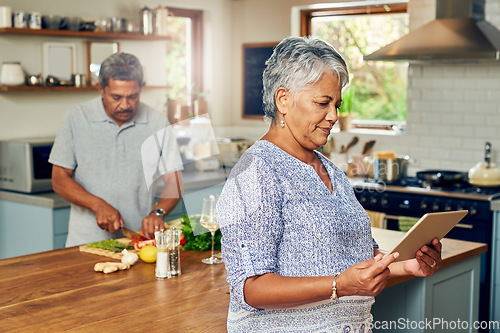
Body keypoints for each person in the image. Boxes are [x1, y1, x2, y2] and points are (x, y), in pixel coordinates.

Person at [216, 36, 442, 332]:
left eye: (336, 104)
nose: (334, 116)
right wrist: (339, 285)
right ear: (283, 99)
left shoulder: (331, 171)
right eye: (323, 103)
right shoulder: (255, 173)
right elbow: (251, 289)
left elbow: (358, 260)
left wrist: (406, 266)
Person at [49, 52, 183, 246]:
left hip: (137, 242)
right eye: (117, 97)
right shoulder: (76, 118)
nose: (125, 105)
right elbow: (59, 178)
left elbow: (174, 181)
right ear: (100, 89)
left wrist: (158, 213)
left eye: (133, 96)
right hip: (85, 243)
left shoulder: (157, 122)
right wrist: (97, 205)